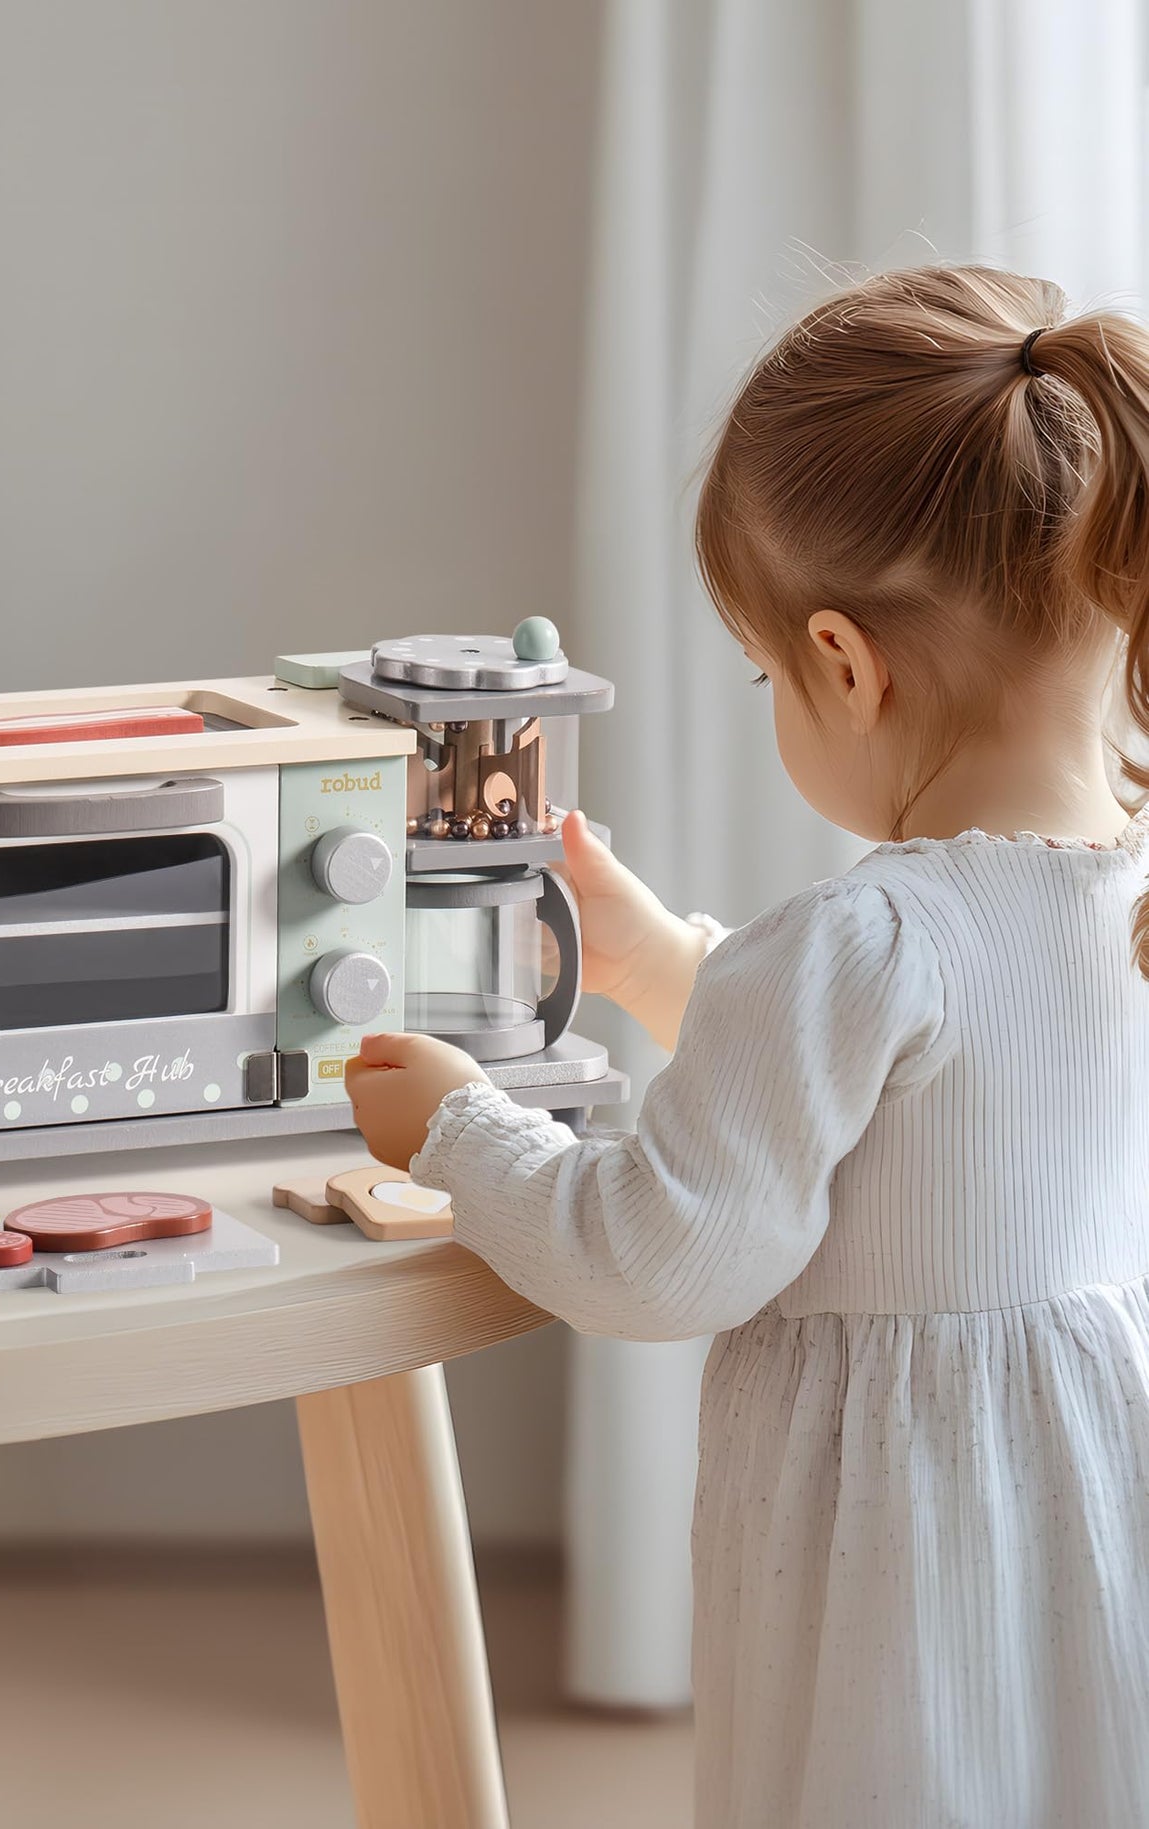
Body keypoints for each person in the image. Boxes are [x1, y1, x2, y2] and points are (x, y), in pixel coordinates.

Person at [345, 265, 1149, 1828]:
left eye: (766, 673)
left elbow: (662, 1256)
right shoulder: (1121, 893)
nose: (781, 698)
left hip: (904, 1550)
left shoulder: (863, 940)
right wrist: (663, 964)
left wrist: (468, 1131)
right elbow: (918, 1104)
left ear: (845, 665)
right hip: (1082, 1489)